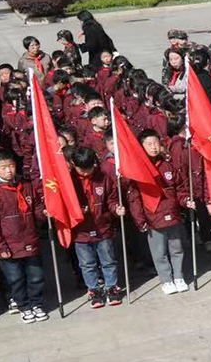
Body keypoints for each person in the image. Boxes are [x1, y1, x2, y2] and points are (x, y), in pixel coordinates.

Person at [0, 153, 48, 322]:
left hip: (30, 240)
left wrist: (44, 213)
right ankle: (23, 306)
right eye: (3, 168)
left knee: (36, 275)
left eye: (11, 166)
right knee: (15, 278)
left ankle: (36, 303)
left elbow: (36, 206)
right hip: (8, 246)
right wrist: (0, 246)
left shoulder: (26, 186)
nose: (8, 171)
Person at [127, 128, 192, 293]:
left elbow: (180, 187)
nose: (153, 147)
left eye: (156, 143)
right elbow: (135, 198)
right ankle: (166, 279)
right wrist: (140, 219)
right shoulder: (138, 169)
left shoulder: (167, 164)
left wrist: (185, 200)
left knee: (176, 248)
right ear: (142, 146)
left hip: (172, 214)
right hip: (153, 218)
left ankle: (179, 276)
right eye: (149, 144)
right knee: (159, 252)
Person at [67, 146, 124, 308]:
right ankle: (94, 289)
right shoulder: (69, 181)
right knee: (87, 264)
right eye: (81, 169)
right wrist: (76, 211)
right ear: (73, 164)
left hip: (103, 228)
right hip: (81, 231)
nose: (86, 173)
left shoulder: (103, 178)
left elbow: (111, 199)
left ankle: (111, 287)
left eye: (89, 169)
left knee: (108, 260)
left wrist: (115, 209)